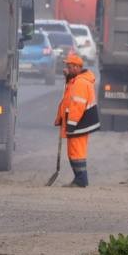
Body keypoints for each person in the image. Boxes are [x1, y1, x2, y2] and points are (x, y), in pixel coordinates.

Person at [54, 51, 100, 187]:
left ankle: (81, 180)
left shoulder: (80, 83)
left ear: (76, 67)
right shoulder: (77, 80)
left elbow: (77, 106)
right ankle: (79, 179)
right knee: (74, 151)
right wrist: (68, 78)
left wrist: (71, 124)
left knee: (76, 152)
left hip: (79, 123)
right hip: (79, 123)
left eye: (69, 67)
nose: (66, 69)